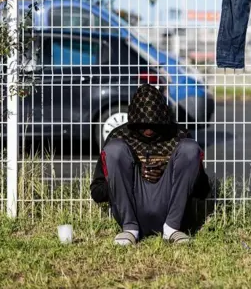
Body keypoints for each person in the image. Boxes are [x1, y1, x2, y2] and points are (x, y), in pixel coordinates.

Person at [90, 84, 211, 245]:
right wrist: (130, 175)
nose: (148, 131)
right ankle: (130, 228)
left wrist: (172, 172)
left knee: (190, 148)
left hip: (173, 211)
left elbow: (203, 191)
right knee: (115, 149)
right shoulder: (118, 136)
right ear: (133, 121)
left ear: (164, 119)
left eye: (154, 125)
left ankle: (172, 228)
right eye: (142, 125)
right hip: (131, 209)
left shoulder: (179, 135)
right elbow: (97, 192)